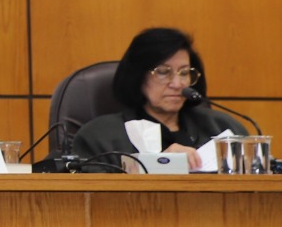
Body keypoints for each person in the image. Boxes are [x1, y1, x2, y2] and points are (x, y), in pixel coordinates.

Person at [70, 27, 245, 162]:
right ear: (138, 77)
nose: (177, 84)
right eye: (163, 72)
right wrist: (160, 165)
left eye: (184, 73)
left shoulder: (222, 127)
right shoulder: (100, 137)